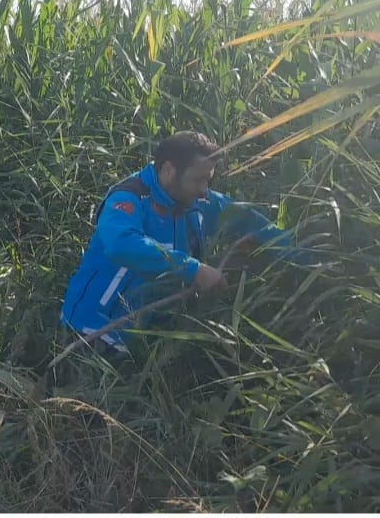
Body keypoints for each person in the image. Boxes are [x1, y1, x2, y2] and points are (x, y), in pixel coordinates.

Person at [60, 130, 311, 355]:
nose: (204, 189)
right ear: (169, 171)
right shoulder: (129, 198)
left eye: (208, 180)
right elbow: (121, 244)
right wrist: (194, 269)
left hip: (149, 335)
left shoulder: (199, 201)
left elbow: (248, 221)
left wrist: (303, 254)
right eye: (197, 179)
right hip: (93, 332)